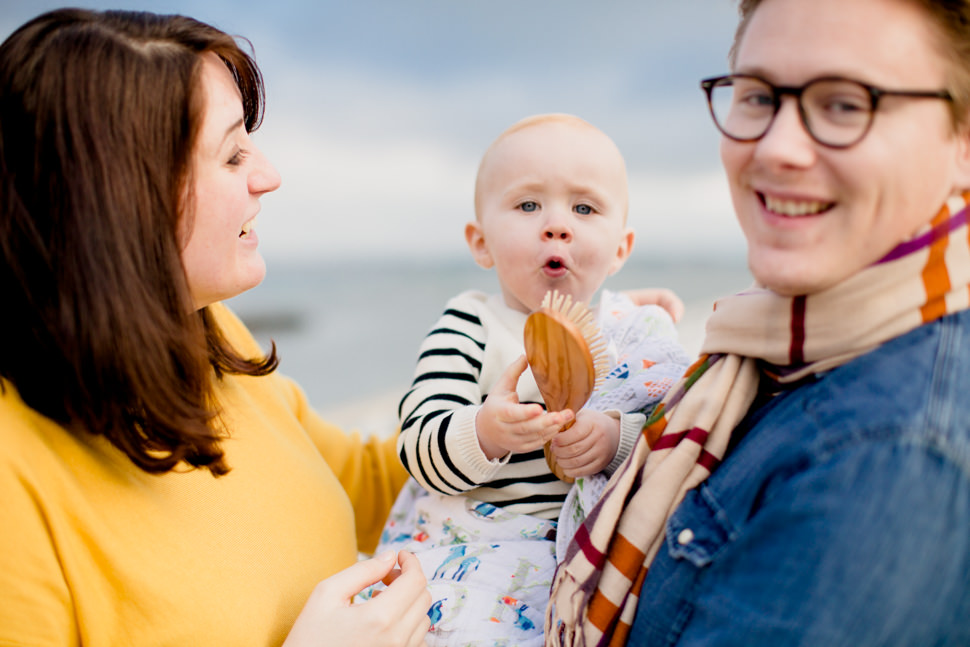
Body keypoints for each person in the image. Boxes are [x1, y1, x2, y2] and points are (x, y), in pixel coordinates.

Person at [0, 9, 430, 646]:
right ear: (123, 199)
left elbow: (363, 484)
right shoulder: (15, 482)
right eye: (232, 155)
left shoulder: (208, 332)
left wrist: (498, 409)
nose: (267, 175)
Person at [548, 0, 970, 645]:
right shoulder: (772, 345)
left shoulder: (888, 450)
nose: (777, 148)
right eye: (758, 96)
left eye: (844, 104)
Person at [378, 114, 690, 645]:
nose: (557, 224)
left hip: (581, 556)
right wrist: (484, 432)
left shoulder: (630, 333)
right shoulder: (470, 324)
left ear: (620, 249)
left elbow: (677, 440)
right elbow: (419, 444)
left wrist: (616, 440)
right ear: (481, 244)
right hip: (474, 546)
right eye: (528, 205)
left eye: (584, 208)